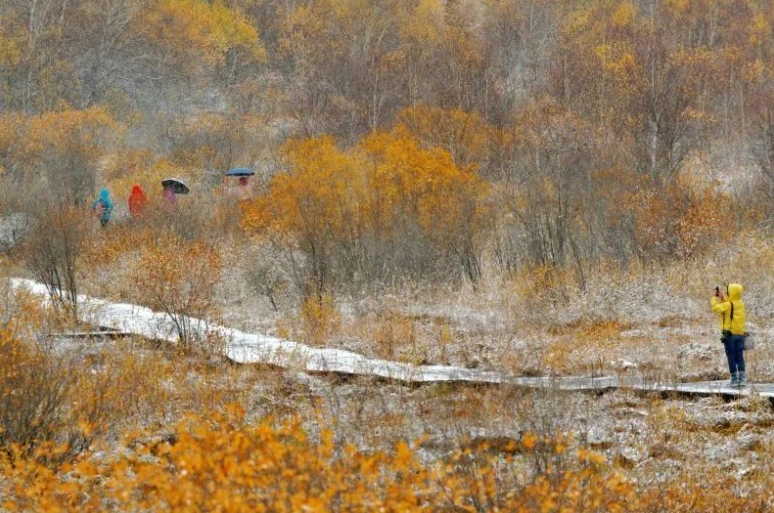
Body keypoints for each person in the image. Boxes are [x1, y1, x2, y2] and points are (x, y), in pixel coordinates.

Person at [711, 283, 747, 386]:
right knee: (739, 357)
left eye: (728, 292)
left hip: (729, 335)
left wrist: (714, 298)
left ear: (731, 293)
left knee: (731, 357)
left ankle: (734, 380)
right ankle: (742, 379)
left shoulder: (727, 305)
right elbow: (731, 306)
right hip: (740, 335)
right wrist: (723, 298)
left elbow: (716, 308)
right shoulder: (740, 304)